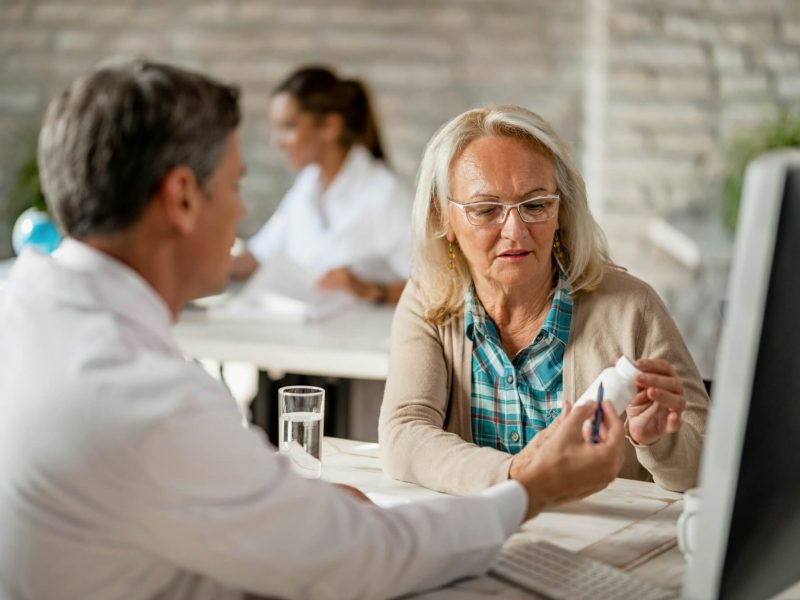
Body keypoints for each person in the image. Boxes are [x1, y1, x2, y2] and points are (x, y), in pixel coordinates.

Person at [0, 60, 627, 600]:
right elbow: (365, 559)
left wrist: (289, 508)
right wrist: (534, 485)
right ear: (183, 198)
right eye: (235, 186)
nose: (242, 209)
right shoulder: (147, 401)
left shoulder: (23, 307)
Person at [379, 105, 709, 496]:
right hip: (483, 536)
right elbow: (404, 435)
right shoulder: (428, 299)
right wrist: (521, 473)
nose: (515, 231)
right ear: (443, 219)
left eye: (535, 205)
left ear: (560, 211)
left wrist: (658, 442)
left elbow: (708, 470)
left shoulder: (633, 308)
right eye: (486, 210)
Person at [230, 66, 410, 305]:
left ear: (330, 126)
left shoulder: (386, 194)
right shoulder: (306, 186)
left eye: (288, 127)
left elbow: (439, 284)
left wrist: (370, 289)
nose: (277, 142)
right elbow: (259, 256)